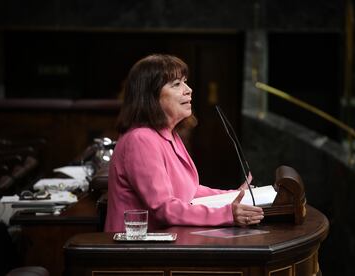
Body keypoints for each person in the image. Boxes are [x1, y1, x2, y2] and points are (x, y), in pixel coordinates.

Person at [104, 54, 264, 232]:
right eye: (176, 84)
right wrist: (226, 214)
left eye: (185, 82)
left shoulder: (169, 134)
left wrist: (234, 196)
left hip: (164, 241)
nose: (188, 90)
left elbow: (189, 191)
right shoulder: (140, 139)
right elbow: (163, 208)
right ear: (151, 96)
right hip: (134, 249)